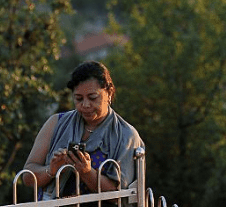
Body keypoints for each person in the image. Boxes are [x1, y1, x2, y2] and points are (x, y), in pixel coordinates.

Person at [23, 61, 144, 199]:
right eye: (79, 99)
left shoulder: (126, 135)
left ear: (109, 93)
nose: (85, 105)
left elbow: (120, 192)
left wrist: (86, 172)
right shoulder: (56, 123)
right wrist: (52, 170)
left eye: (93, 98)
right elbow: (27, 176)